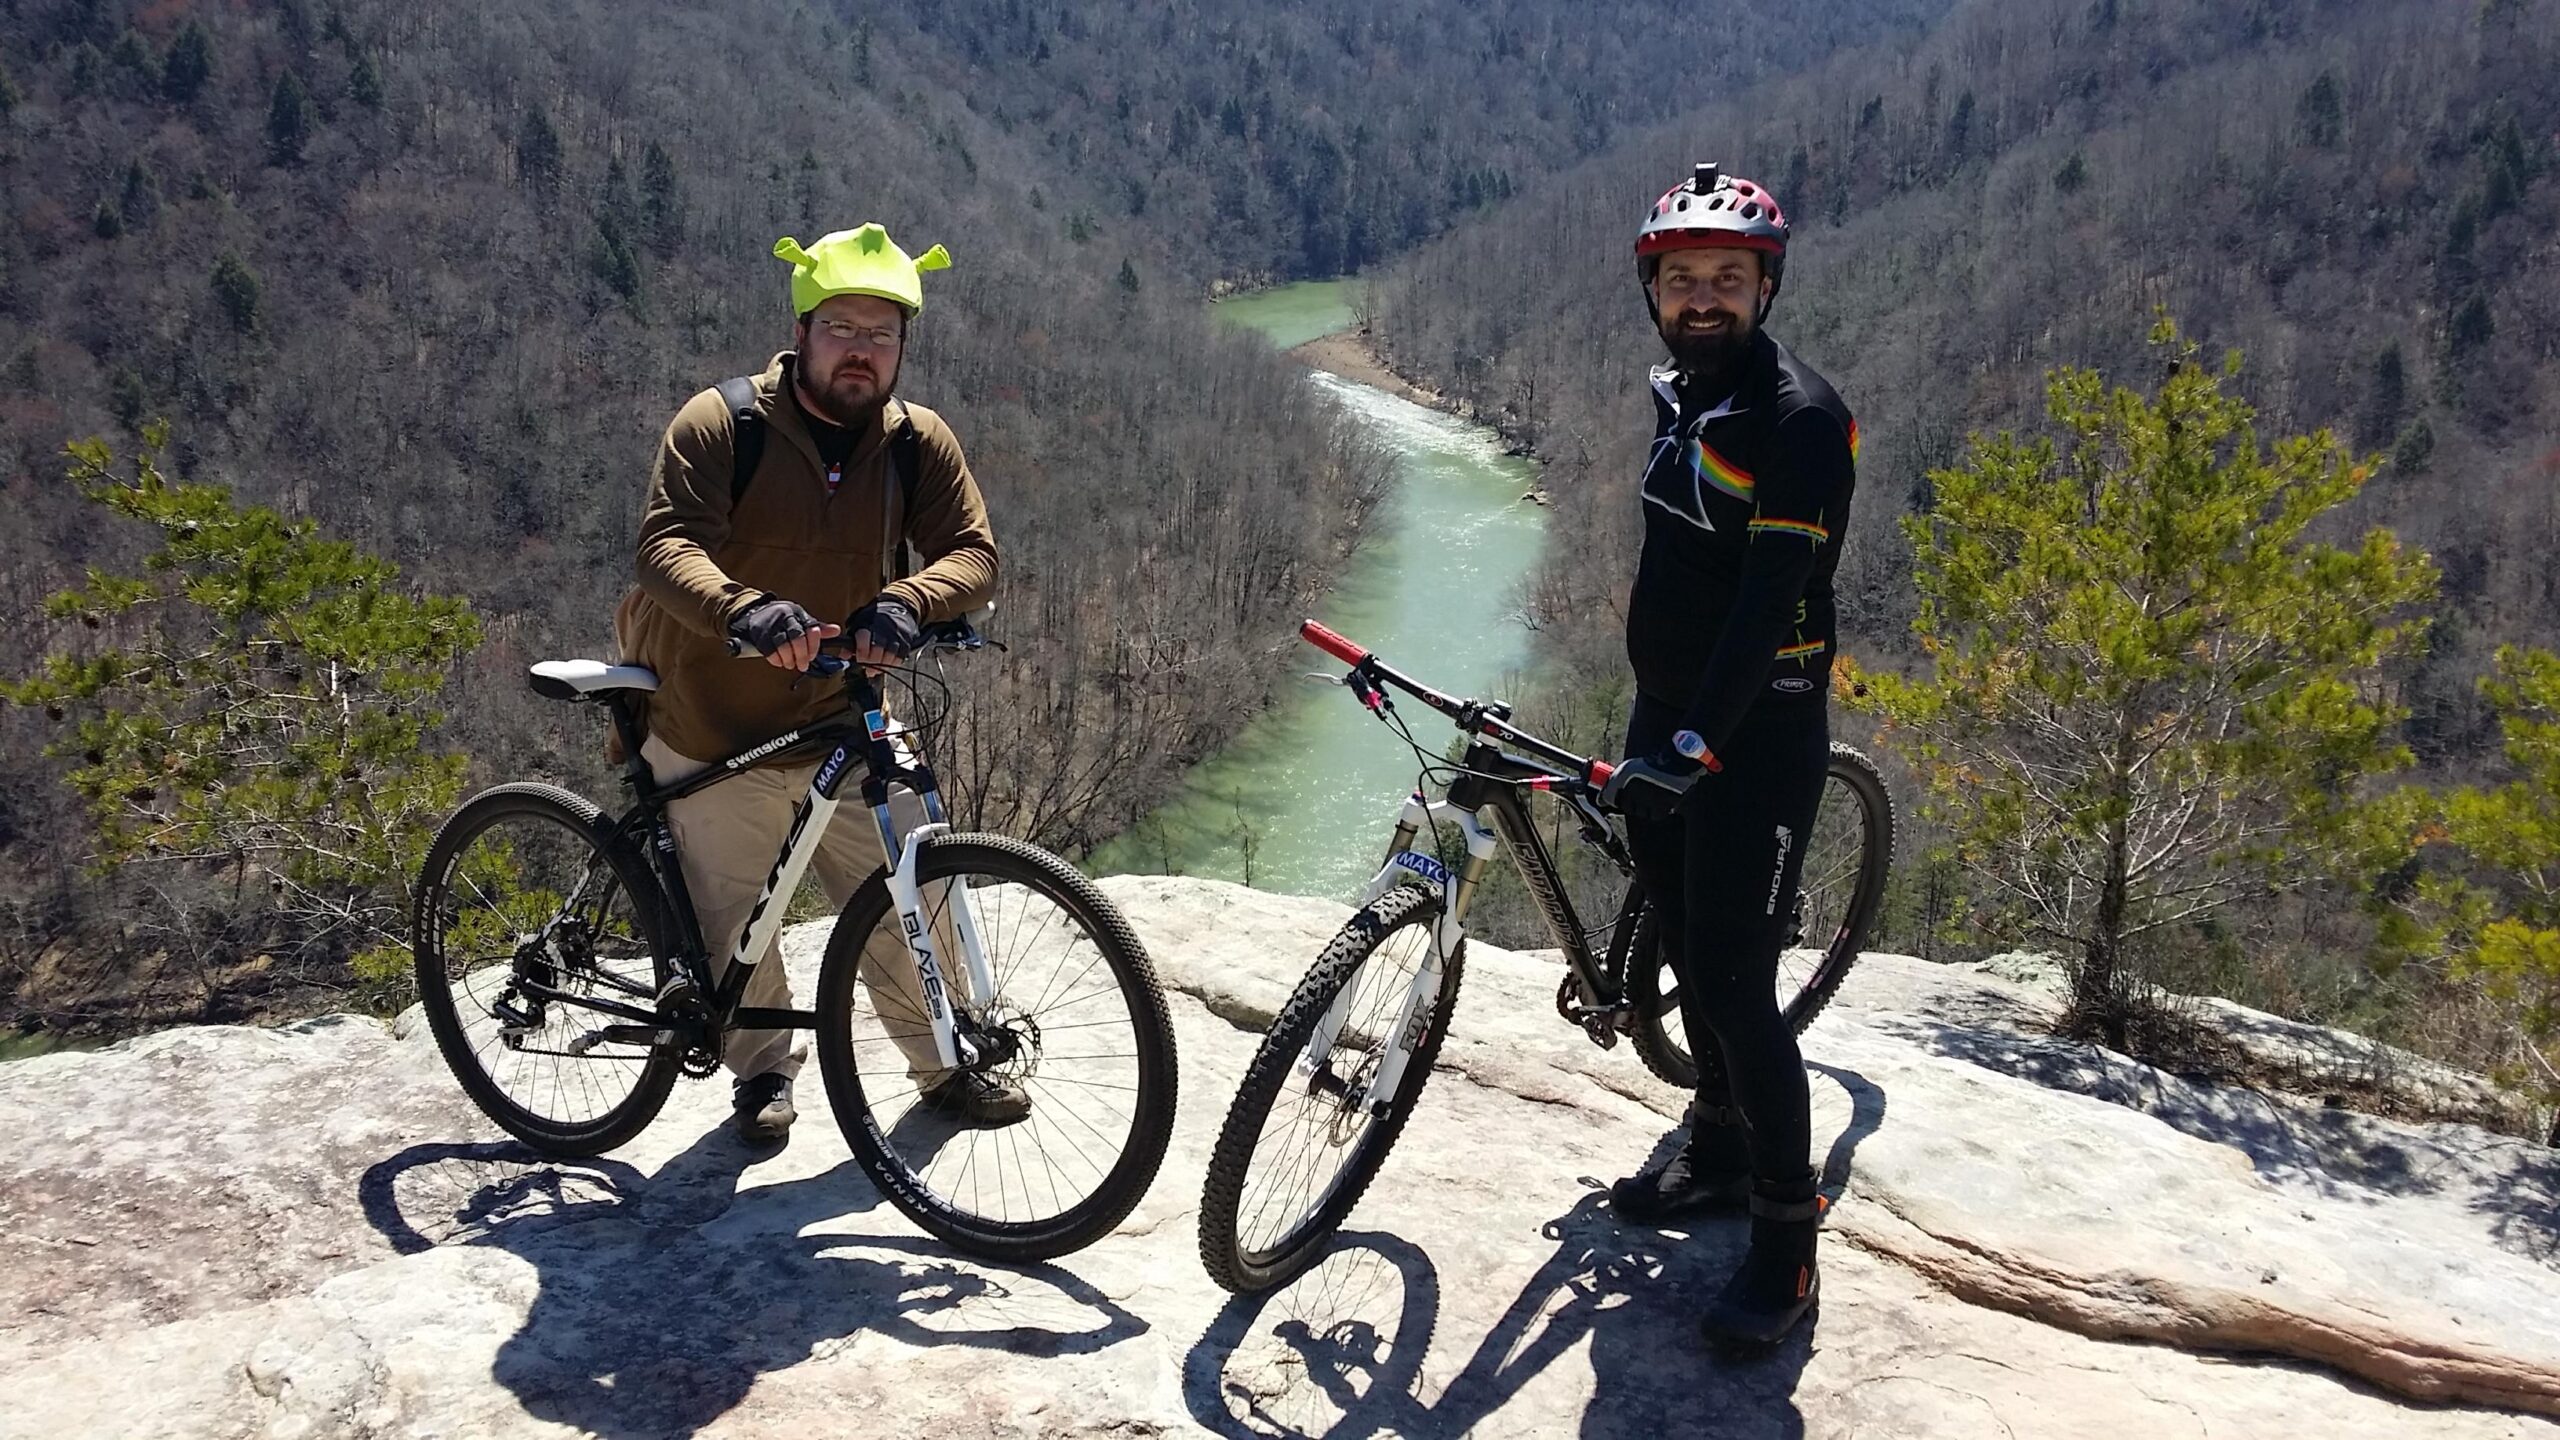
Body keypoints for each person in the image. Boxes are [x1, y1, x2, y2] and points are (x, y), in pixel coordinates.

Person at [613, 223, 1020, 1142]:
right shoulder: (722, 424)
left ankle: (947, 1063)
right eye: (842, 328)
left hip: (844, 713)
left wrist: (914, 602)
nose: (861, 351)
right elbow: (660, 546)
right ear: (802, 330)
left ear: (903, 347)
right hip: (716, 719)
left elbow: (974, 553)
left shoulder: (915, 442)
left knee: (911, 888)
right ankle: (762, 1074)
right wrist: (742, 610)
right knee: (735, 914)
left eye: (881, 335)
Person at [1598, 164, 1859, 1346]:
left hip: (1755, 730)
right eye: (1683, 278)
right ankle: (1713, 1144)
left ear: (1766, 285)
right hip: (1668, 711)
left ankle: (1785, 1244)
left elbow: (1766, 600)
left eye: (1728, 279)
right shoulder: (1682, 390)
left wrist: (1700, 740)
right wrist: (1660, 718)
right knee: (1682, 945)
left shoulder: (1797, 418)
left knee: (1738, 987)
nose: (1704, 297)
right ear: (1654, 289)